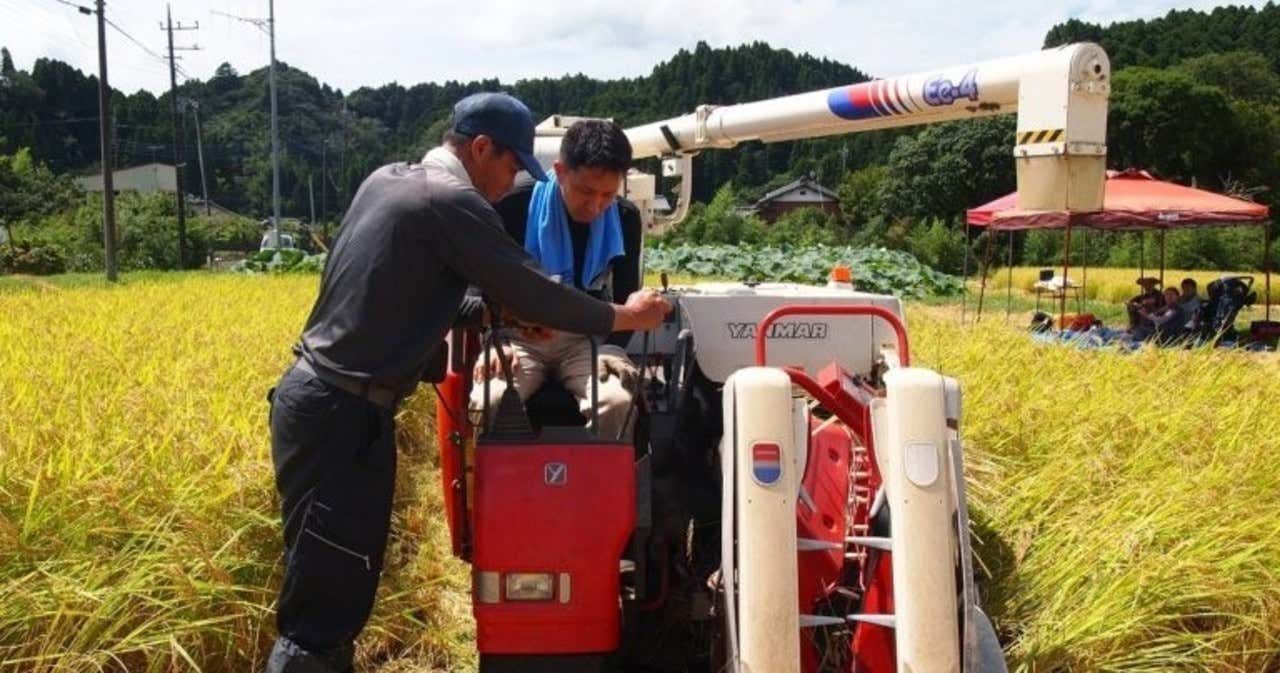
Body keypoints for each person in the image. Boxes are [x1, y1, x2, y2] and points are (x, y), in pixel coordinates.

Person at [265, 92, 670, 673]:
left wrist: (496, 314)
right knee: (321, 611)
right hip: (342, 413)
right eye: (511, 166)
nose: (510, 184)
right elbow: (533, 291)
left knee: (338, 584)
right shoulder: (452, 202)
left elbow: (420, 293)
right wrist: (626, 316)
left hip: (328, 403)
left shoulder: (388, 181)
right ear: (482, 148)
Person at [470, 119, 642, 439]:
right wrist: (495, 341)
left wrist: (612, 349)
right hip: (517, 336)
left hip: (585, 339)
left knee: (617, 403)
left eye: (608, 194)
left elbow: (626, 297)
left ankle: (596, 473)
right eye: (585, 191)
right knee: (488, 401)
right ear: (561, 171)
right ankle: (505, 473)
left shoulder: (625, 217)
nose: (596, 206)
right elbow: (477, 282)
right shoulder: (511, 205)